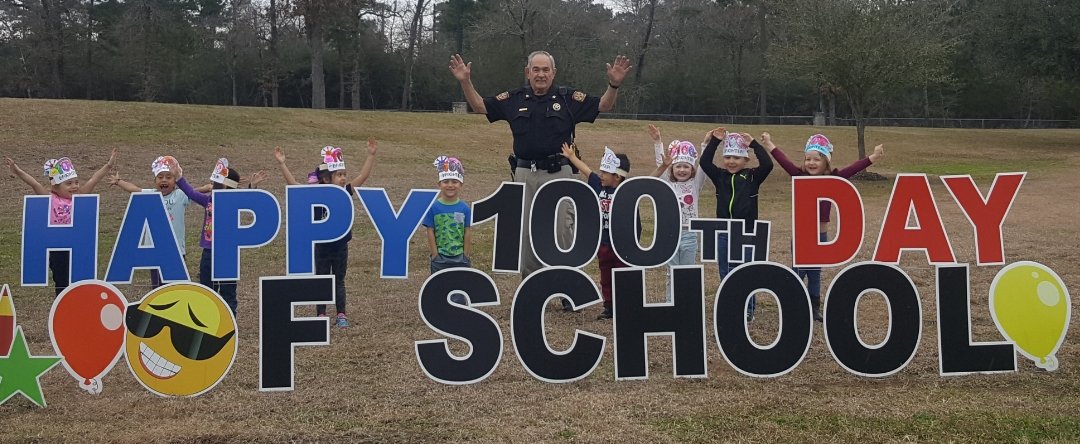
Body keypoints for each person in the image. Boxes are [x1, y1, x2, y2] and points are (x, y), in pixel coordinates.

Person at [448, 51, 632, 281]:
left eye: (546, 70)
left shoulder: (568, 98)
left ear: (554, 73)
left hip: (561, 173)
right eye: (536, 69)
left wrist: (613, 84)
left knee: (563, 230)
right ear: (528, 72)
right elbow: (480, 107)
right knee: (526, 231)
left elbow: (603, 106)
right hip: (526, 174)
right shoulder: (514, 98)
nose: (541, 74)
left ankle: (567, 284)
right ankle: (532, 284)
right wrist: (465, 81)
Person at [763, 132, 884, 321]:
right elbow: (783, 160)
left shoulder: (834, 178)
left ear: (826, 161)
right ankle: (791, 303)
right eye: (808, 159)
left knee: (815, 274)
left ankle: (814, 307)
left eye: (816, 159)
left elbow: (853, 169)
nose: (811, 163)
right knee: (798, 271)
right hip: (802, 237)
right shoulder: (799, 176)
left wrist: (873, 157)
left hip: (821, 237)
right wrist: (770, 144)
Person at [274, 140, 377, 328]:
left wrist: (370, 155)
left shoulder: (346, 191)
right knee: (321, 280)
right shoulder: (316, 193)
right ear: (327, 179)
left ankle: (341, 314)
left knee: (339, 280)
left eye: (344, 174)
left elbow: (363, 176)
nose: (344, 178)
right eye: (339, 175)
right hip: (321, 247)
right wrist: (282, 164)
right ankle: (321, 313)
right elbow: (294, 185)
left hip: (340, 246)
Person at [6, 150, 116, 295]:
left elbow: (94, 180)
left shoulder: (80, 196)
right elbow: (34, 183)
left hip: (77, 245)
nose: (75, 186)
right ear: (55, 187)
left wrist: (108, 165)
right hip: (58, 248)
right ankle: (61, 306)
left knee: (80, 280)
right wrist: (18, 171)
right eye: (69, 183)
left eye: (76, 182)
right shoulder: (50, 198)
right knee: (62, 280)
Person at [169, 157, 265, 314]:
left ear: (229, 188)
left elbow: (249, 201)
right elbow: (191, 193)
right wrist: (179, 177)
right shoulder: (209, 201)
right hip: (208, 251)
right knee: (206, 286)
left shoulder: (235, 202)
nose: (213, 187)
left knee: (228, 288)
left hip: (228, 253)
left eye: (218, 185)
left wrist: (252, 186)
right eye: (214, 184)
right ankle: (207, 316)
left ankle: (230, 319)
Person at [700, 128, 773, 322]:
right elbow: (704, 163)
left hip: (747, 233)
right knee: (725, 271)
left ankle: (748, 309)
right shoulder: (720, 176)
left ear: (746, 160)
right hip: (724, 232)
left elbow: (767, 165)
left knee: (745, 272)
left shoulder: (752, 177)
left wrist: (754, 144)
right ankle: (730, 304)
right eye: (728, 157)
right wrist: (715, 141)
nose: (731, 161)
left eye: (737, 158)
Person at [563, 143, 633, 320]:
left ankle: (625, 305)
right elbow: (588, 172)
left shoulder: (627, 190)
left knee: (624, 275)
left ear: (617, 177)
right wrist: (572, 157)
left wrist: (663, 166)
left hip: (622, 243)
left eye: (605, 173)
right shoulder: (599, 186)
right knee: (605, 276)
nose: (601, 175)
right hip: (604, 242)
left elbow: (650, 181)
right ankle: (609, 306)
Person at [649, 124, 709, 303]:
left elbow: (704, 167)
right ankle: (671, 304)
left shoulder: (695, 183)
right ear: (673, 168)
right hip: (671, 234)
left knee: (687, 273)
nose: (682, 170)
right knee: (671, 273)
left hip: (690, 235)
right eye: (678, 166)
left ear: (692, 168)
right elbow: (662, 164)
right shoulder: (667, 182)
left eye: (686, 166)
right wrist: (658, 141)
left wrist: (705, 144)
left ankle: (687, 304)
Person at [423, 156, 473, 304]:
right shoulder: (434, 207)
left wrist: (466, 254)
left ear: (461, 184)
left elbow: (467, 231)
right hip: (440, 258)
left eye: (454, 181)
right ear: (439, 184)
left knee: (459, 288)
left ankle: (459, 312)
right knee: (439, 287)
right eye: (446, 181)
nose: (450, 185)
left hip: (460, 257)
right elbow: (430, 231)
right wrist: (434, 254)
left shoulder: (464, 208)